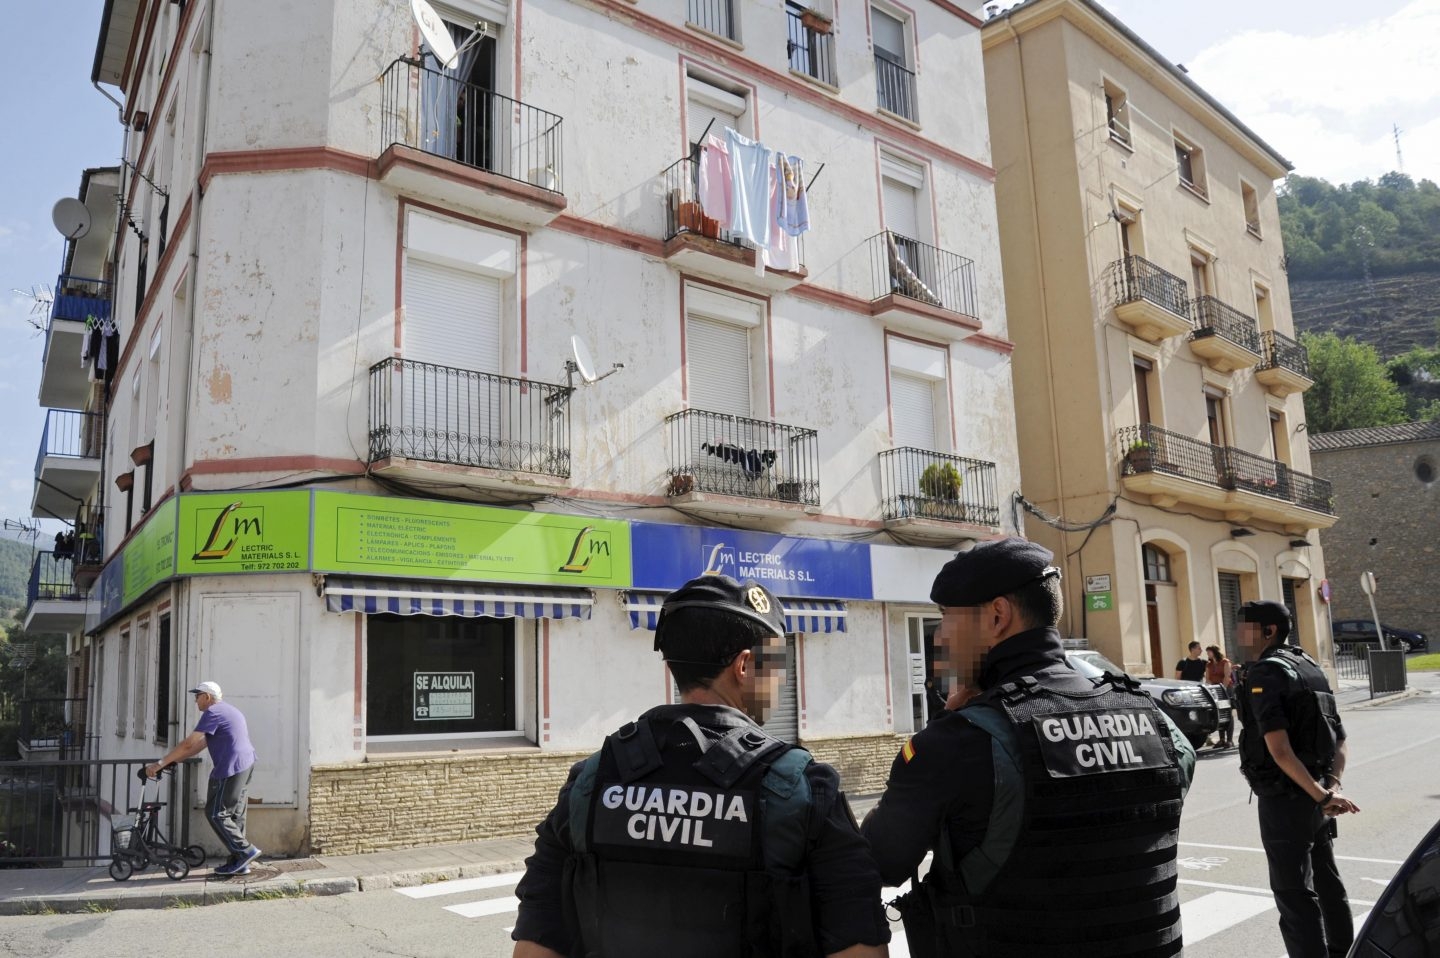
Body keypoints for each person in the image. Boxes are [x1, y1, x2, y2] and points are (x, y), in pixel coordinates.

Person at [511, 575, 889, 958]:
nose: (781, 681)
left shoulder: (591, 782)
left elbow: (533, 947)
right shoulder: (803, 788)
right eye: (777, 664)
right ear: (744, 666)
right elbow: (860, 950)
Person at [862, 537, 1195, 958]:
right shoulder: (1152, 717)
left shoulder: (957, 742)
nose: (941, 635)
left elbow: (877, 860)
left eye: (947, 617)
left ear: (997, 616)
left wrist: (947, 729)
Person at [1232, 600, 1359, 958]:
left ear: (1268, 631)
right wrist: (1329, 787)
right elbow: (1341, 738)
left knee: (1293, 893)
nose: (1238, 635)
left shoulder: (1266, 672)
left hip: (1287, 796)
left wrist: (1320, 794)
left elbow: (1279, 749)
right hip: (1316, 792)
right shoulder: (1309, 666)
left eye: (1245, 627)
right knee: (1327, 882)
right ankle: (1343, 951)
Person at [145, 681, 260, 876]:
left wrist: (159, 763)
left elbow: (189, 743)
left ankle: (246, 851)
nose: (195, 700)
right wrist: (172, 762)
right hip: (246, 764)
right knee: (234, 814)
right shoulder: (229, 711)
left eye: (197, 696)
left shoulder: (213, 712)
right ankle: (240, 862)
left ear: (207, 697)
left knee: (216, 813)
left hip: (230, 767)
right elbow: (200, 745)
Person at [1205, 645, 1235, 747]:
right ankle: (1221, 739)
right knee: (1219, 714)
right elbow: (1208, 678)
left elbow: (1227, 676)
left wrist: (1223, 689)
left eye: (1209, 652)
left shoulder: (1225, 662)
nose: (1208, 654)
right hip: (1214, 691)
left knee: (1228, 714)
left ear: (1214, 652)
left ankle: (1229, 740)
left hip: (1225, 689)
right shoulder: (1209, 665)